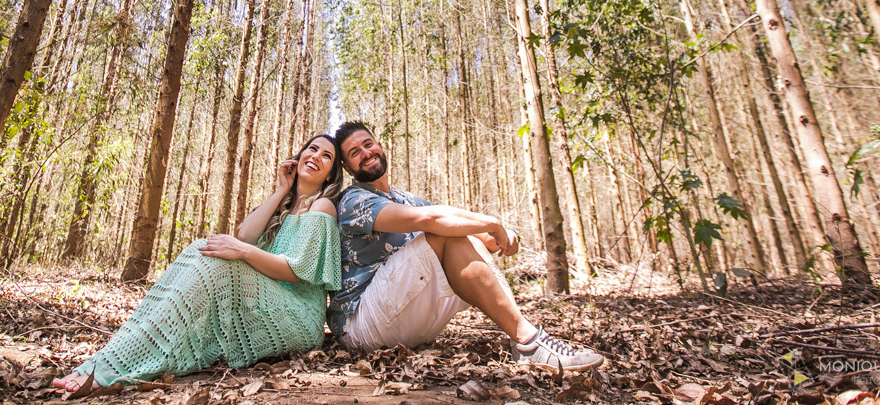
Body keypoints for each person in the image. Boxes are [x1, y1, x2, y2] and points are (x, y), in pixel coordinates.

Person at [52, 134, 343, 395]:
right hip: (271, 298)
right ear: (299, 156)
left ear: (331, 174)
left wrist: (242, 252)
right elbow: (245, 234)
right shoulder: (284, 204)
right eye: (312, 149)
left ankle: (119, 364)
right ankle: (120, 353)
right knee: (202, 248)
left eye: (326, 156)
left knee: (223, 261)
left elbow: (293, 273)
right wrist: (282, 189)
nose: (316, 156)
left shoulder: (322, 206)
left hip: (300, 315)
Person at [327, 121, 603, 371]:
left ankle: (524, 338)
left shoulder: (404, 197)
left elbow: (468, 233)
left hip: (403, 321)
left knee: (462, 234)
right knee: (443, 232)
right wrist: (490, 222)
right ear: (348, 168)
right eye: (355, 153)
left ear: (380, 146)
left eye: (368, 144)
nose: (366, 153)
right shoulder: (354, 200)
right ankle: (529, 341)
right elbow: (432, 220)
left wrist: (499, 236)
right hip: (361, 326)